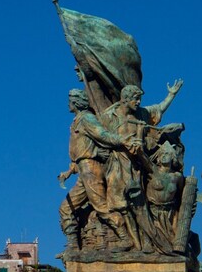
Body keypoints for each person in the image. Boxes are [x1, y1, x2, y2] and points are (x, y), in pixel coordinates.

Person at [101, 81, 182, 250]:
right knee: (119, 204)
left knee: (139, 204)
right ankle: (129, 240)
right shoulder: (109, 116)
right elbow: (101, 137)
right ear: (125, 99)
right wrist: (122, 143)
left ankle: (146, 242)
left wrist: (171, 95)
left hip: (138, 165)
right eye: (135, 99)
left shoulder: (142, 114)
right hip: (117, 163)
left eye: (139, 99)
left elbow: (159, 108)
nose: (138, 103)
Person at [58, 89, 138, 250]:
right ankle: (73, 245)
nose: (68, 103)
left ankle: (125, 238)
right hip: (83, 169)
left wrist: (123, 140)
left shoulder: (87, 118)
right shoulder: (77, 121)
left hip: (91, 170)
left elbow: (103, 135)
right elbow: (80, 151)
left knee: (101, 207)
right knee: (66, 208)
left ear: (77, 102)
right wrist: (69, 171)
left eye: (71, 100)